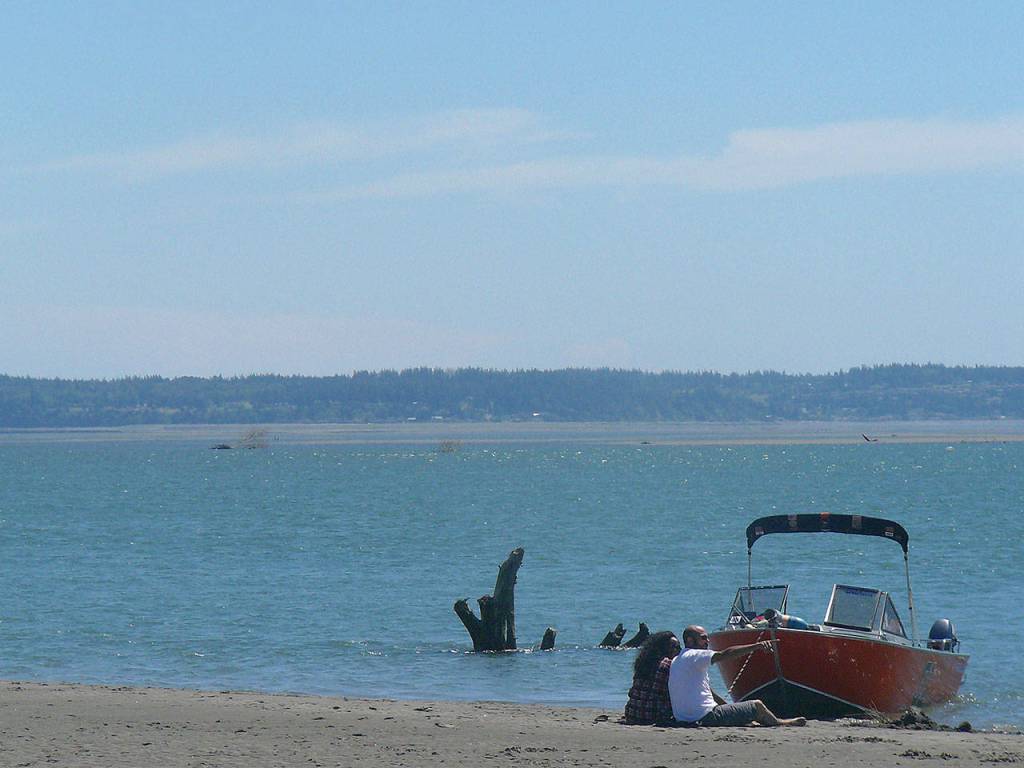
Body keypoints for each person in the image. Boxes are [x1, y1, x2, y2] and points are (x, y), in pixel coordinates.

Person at [668, 624, 807, 727]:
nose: (708, 642)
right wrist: (756, 646)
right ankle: (779, 722)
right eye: (703, 638)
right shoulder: (695, 655)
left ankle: (747, 719)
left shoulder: (678, 660)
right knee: (757, 705)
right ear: (690, 641)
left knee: (741, 712)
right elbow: (724, 654)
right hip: (705, 718)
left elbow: (708, 692)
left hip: (684, 720)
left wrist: (731, 707)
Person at [623, 631, 681, 725]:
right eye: (676, 647)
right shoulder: (668, 665)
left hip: (632, 713)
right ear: (665, 649)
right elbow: (664, 694)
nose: (679, 651)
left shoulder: (643, 662)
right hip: (652, 715)